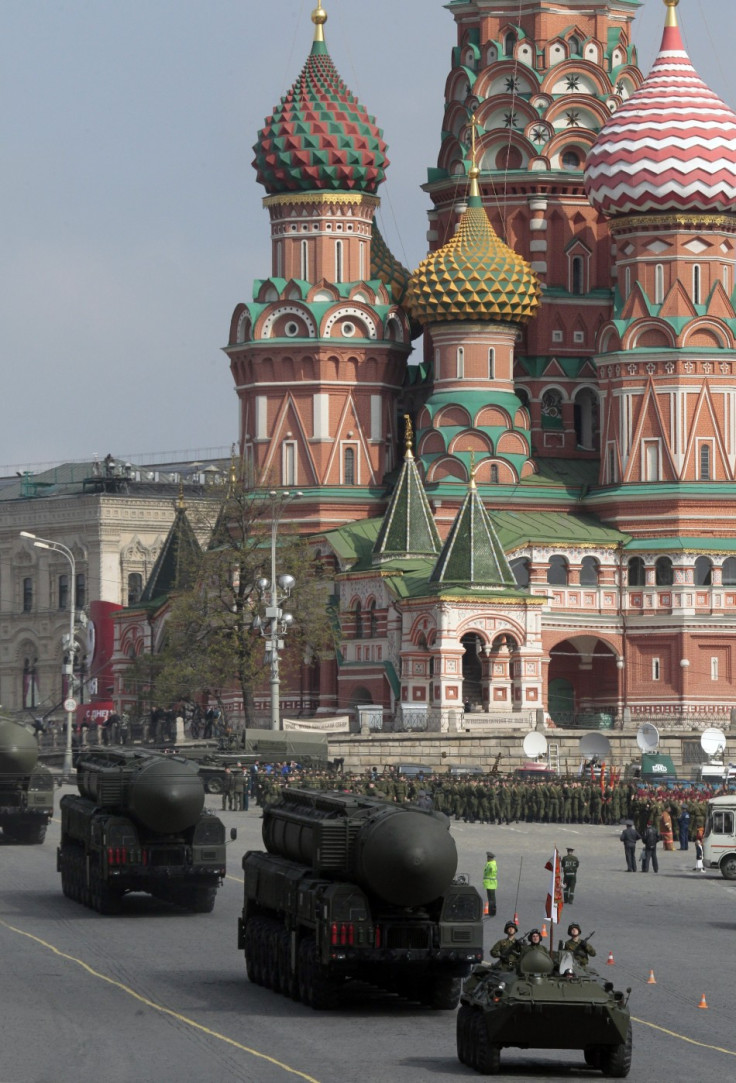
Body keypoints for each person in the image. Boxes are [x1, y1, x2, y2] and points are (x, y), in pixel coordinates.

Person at [482, 851, 498, 916]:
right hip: (489, 884)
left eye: (488, 857)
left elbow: (493, 869)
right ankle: (490, 911)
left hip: (491, 884)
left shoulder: (492, 864)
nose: (487, 858)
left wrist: (491, 869)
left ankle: (492, 912)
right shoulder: (489, 863)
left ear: (490, 858)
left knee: (492, 899)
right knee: (490, 899)